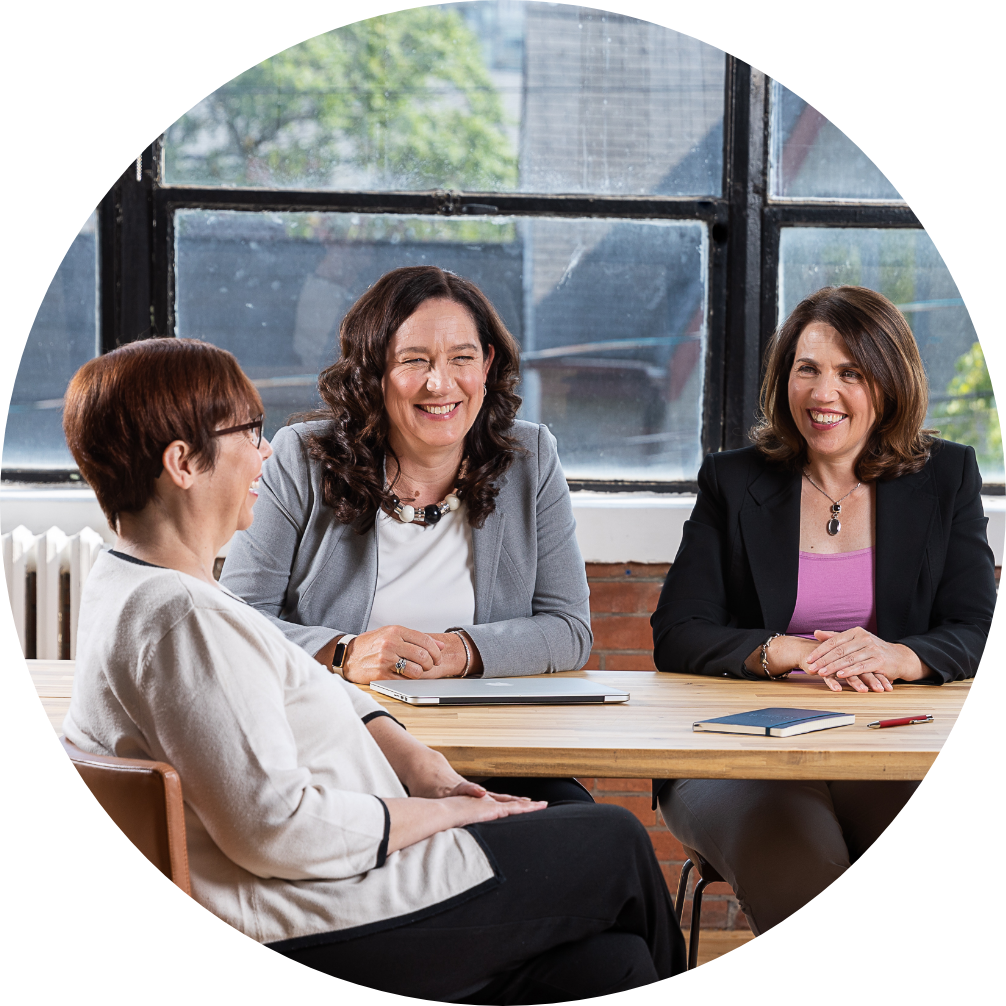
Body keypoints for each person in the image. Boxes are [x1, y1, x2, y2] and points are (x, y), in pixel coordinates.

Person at [59, 337, 684, 997]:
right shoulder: (181, 617)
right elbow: (277, 828)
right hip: (320, 910)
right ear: (183, 462)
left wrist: (423, 770)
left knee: (608, 964)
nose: (265, 453)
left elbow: (294, 683)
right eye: (248, 432)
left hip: (330, 884)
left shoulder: (139, 583)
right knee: (614, 839)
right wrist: (443, 816)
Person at [650, 285, 995, 936]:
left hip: (881, 748)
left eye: (850, 372)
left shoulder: (946, 476)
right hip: (736, 752)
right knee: (800, 862)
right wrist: (785, 651)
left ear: (889, 383)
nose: (822, 392)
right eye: (806, 369)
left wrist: (902, 655)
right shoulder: (734, 481)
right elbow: (678, 635)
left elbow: (976, 627)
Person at [221, 265, 594, 804]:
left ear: (487, 365)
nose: (440, 384)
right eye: (414, 361)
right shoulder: (302, 457)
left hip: (489, 752)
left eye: (461, 358)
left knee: (593, 832)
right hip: (338, 751)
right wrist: (343, 653)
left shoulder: (531, 457)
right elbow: (233, 622)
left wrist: (462, 651)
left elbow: (570, 629)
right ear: (374, 371)